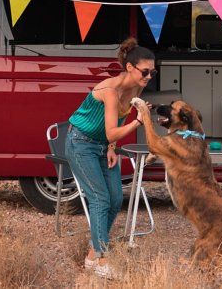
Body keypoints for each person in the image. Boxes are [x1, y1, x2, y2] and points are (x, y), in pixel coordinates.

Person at [65, 37, 156, 279]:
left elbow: (119, 120)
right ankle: (104, 262)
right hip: (80, 143)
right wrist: (140, 119)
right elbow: (112, 128)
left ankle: (91, 257)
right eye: (145, 72)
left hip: (101, 146)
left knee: (115, 199)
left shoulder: (137, 87)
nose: (148, 77)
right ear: (130, 68)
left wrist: (111, 147)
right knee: (99, 199)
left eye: (152, 72)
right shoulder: (110, 90)